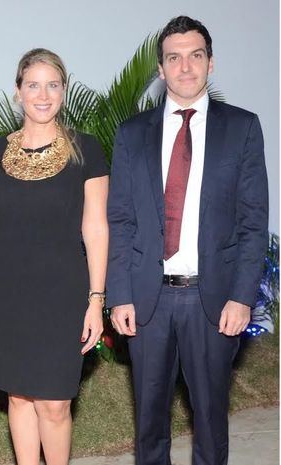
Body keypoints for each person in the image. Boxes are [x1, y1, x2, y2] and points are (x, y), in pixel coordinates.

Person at [107, 16, 268, 465]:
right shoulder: (132, 134)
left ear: (210, 63)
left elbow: (254, 221)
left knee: (211, 419)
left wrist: (242, 297)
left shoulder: (242, 128)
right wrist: (119, 295)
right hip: (147, 299)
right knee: (149, 423)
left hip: (212, 301)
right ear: (160, 69)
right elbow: (120, 219)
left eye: (195, 55)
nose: (185, 66)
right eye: (174, 58)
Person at [0, 48, 109, 465]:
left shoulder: (86, 150)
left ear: (64, 92)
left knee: (54, 404)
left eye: (53, 85)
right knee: (17, 397)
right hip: (4, 295)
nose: (43, 94)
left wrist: (97, 299)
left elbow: (96, 228)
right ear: (18, 92)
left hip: (63, 296)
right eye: (33, 85)